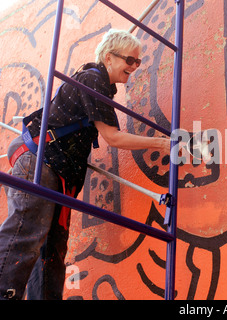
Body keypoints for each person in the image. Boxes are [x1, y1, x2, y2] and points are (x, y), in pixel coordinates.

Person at [0, 29, 170, 300]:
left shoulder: (99, 86)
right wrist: (163, 144)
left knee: (51, 249)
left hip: (55, 170)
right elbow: (113, 137)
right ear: (108, 57)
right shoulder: (93, 79)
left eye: (138, 62)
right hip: (40, 160)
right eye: (130, 60)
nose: (134, 67)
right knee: (25, 231)